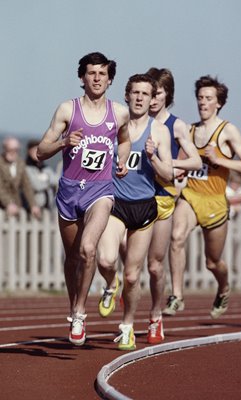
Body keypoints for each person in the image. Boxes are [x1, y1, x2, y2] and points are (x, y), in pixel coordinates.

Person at [37, 51, 131, 346]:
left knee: (89, 249)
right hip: (69, 192)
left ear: (110, 78)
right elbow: (40, 151)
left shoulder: (118, 113)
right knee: (73, 259)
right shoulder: (67, 110)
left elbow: (125, 139)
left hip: (100, 191)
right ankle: (74, 304)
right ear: (82, 77)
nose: (97, 78)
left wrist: (122, 160)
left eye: (102, 73)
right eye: (91, 73)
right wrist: (64, 142)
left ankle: (78, 314)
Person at [166, 75, 241, 319]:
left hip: (215, 201)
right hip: (191, 195)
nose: (203, 103)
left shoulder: (228, 131)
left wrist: (219, 160)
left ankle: (224, 288)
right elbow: (182, 163)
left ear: (219, 103)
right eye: (200, 98)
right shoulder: (191, 131)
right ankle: (176, 296)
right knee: (177, 236)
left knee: (212, 263)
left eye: (208, 99)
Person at [97, 73, 173, 350]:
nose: (140, 98)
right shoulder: (114, 123)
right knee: (106, 260)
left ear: (153, 99)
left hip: (143, 206)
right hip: (114, 202)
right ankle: (109, 284)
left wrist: (153, 158)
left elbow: (169, 176)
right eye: (135, 93)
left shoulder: (159, 131)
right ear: (127, 96)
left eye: (145, 94)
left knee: (133, 275)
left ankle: (127, 325)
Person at [144, 68, 202, 338]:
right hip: (136, 193)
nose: (152, 99)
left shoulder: (176, 125)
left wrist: (171, 163)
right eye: (149, 93)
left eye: (158, 94)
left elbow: (196, 161)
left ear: (168, 94)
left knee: (155, 263)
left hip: (164, 195)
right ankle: (119, 283)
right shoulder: (137, 120)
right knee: (121, 250)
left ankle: (159, 311)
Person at [0, 136, 41, 218]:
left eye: (16, 150)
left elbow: (27, 186)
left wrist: (33, 205)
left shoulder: (20, 164)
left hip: (17, 204)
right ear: (5, 149)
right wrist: (8, 203)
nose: (13, 152)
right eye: (10, 149)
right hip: (2, 205)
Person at [26, 139, 58, 209]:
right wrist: (48, 181)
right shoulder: (26, 168)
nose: (37, 153)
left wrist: (44, 180)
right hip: (33, 208)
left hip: (48, 207)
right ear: (29, 152)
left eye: (39, 150)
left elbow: (56, 181)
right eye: (34, 150)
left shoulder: (46, 168)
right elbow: (36, 185)